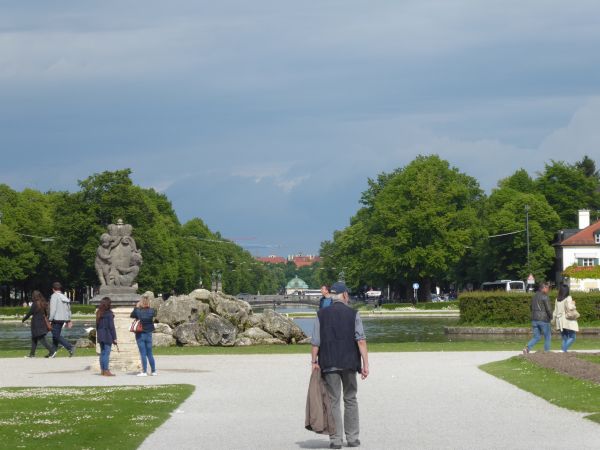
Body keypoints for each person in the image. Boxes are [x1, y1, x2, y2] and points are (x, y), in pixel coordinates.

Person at [311, 281, 369, 449]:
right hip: (350, 362)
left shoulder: (321, 314)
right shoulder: (353, 313)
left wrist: (314, 361)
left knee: (333, 401)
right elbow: (361, 340)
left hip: (329, 362)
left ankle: (336, 440)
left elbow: (315, 342)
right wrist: (365, 364)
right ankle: (352, 438)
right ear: (344, 295)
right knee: (350, 398)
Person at [22, 290, 56, 358]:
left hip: (36, 324)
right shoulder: (43, 302)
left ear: (34, 296)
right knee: (34, 339)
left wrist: (24, 319)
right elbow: (46, 313)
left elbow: (30, 313)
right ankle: (32, 354)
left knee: (42, 339)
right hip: (42, 322)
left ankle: (52, 351)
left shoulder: (35, 303)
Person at [130, 294, 157, 376]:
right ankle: (153, 371)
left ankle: (144, 371)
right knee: (150, 353)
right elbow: (154, 314)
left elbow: (132, 315)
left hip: (140, 333)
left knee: (143, 353)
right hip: (149, 333)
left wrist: (136, 307)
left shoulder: (138, 311)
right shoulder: (152, 310)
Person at [523, 282, 552, 354]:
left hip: (534, 319)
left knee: (536, 337)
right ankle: (547, 352)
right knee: (547, 336)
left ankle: (527, 348)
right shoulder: (545, 296)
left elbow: (531, 307)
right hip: (544, 320)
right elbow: (548, 309)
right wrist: (551, 317)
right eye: (548, 288)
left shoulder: (534, 296)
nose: (548, 289)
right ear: (543, 288)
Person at [49, 281, 75, 357]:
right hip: (63, 319)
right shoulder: (64, 296)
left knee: (56, 335)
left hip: (56, 319)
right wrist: (69, 320)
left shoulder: (54, 296)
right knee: (55, 336)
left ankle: (70, 347)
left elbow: (53, 310)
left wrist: (50, 319)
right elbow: (68, 310)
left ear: (53, 289)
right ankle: (53, 352)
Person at [553, 284, 579, 352]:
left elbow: (555, 311)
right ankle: (563, 350)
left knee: (564, 338)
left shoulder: (557, 299)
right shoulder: (568, 298)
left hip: (559, 320)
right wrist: (573, 303)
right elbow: (570, 307)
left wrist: (553, 321)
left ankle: (563, 351)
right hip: (566, 320)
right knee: (573, 337)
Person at [96, 297, 117, 376]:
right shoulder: (109, 314)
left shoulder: (98, 312)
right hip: (107, 334)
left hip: (100, 334)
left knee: (102, 352)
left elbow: (97, 325)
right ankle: (106, 370)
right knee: (106, 353)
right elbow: (111, 327)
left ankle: (102, 370)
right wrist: (114, 337)